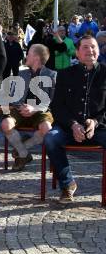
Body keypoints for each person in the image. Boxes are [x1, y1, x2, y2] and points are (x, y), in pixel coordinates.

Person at [44, 35, 106, 203]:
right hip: (67, 127)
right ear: (77, 53)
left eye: (93, 46)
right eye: (85, 47)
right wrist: (72, 124)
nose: (90, 50)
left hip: (99, 129)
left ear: (99, 51)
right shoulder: (65, 74)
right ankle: (67, 184)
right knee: (50, 139)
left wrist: (95, 121)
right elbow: (57, 106)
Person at [1, 44, 56, 171]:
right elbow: (13, 97)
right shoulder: (21, 73)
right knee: (5, 124)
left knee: (47, 128)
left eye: (29, 53)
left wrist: (34, 109)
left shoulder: (52, 75)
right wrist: (21, 107)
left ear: (36, 58)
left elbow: (53, 101)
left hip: (41, 111)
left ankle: (21, 149)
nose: (26, 56)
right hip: (20, 110)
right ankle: (24, 154)